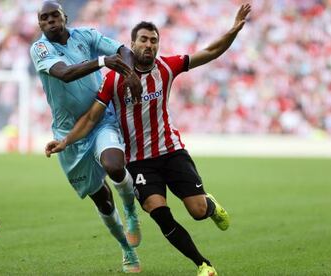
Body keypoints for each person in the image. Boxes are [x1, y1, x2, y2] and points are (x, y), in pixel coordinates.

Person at [45, 4, 251, 276]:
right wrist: (66, 141)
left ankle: (209, 205)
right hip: (139, 162)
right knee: (159, 211)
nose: (149, 45)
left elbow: (210, 52)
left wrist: (234, 29)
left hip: (171, 151)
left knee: (198, 211)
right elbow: (92, 118)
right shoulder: (113, 80)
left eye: (154, 41)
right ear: (132, 44)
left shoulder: (168, 66)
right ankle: (203, 264)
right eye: (143, 39)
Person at [29, 1, 143, 273]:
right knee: (102, 199)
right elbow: (64, 74)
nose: (50, 22)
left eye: (54, 16)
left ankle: (130, 210)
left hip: (101, 117)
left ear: (64, 17)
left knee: (114, 166)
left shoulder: (86, 36)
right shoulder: (40, 48)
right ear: (40, 24)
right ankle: (126, 249)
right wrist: (104, 61)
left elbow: (123, 51)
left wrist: (128, 74)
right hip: (68, 133)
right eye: (44, 19)